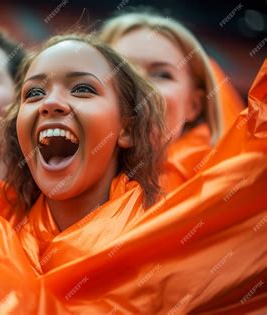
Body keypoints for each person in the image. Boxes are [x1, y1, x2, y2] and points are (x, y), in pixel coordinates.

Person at [0, 0, 267, 313]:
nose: (51, 103)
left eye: (82, 89)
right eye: (33, 93)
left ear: (127, 126)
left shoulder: (185, 226)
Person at [99, 10, 245, 191]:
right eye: (123, 70)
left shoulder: (229, 195)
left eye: (162, 74)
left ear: (194, 105)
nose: (139, 84)